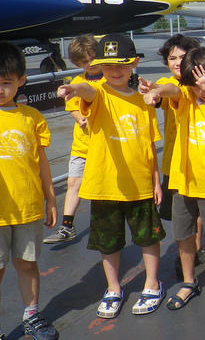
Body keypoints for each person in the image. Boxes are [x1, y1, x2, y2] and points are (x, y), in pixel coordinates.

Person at [56, 33, 165, 318]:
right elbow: (87, 90)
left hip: (140, 185)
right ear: (98, 67)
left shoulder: (144, 101)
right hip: (104, 185)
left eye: (122, 65)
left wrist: (156, 180)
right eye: (108, 66)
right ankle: (113, 288)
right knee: (109, 243)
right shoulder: (99, 94)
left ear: (134, 64)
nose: (115, 71)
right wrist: (74, 89)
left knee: (148, 239)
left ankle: (152, 283)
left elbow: (150, 145)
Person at [142, 47, 205, 317]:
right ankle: (189, 282)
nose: (198, 88)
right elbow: (170, 89)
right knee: (184, 236)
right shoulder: (185, 96)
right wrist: (155, 91)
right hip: (183, 181)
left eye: (204, 81)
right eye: (194, 83)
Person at [140, 35, 205, 276]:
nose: (177, 62)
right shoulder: (172, 84)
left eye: (182, 57)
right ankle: (183, 253)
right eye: (171, 58)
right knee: (182, 215)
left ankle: (197, 249)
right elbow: (168, 89)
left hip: (203, 162)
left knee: (199, 215)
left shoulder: (204, 86)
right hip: (176, 162)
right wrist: (154, 91)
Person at [0, 42, 59, 340]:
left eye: (6, 83)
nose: (0, 89)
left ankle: (32, 315)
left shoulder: (32, 117)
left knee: (27, 263)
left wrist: (51, 198)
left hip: (28, 207)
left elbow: (42, 163)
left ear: (21, 81)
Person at [44, 35, 102, 244]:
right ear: (78, 64)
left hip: (105, 145)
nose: (91, 64)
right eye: (85, 62)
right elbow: (73, 108)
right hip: (83, 144)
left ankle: (105, 224)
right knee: (73, 182)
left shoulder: (110, 79)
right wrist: (81, 119)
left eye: (94, 58)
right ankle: (67, 226)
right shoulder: (77, 82)